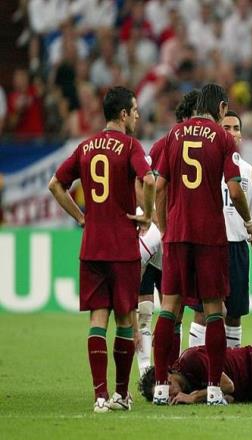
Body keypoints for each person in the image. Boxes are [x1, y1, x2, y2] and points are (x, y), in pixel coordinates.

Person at [47, 86, 156, 412]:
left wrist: (81, 217)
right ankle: (121, 395)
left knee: (98, 319)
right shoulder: (130, 146)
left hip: (92, 245)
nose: (137, 115)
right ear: (123, 114)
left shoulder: (86, 146)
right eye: (134, 110)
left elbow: (55, 184)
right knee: (124, 319)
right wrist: (148, 214)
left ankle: (99, 396)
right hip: (122, 247)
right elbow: (150, 180)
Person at [152, 83, 252, 406]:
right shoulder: (222, 138)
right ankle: (213, 388)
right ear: (222, 108)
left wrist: (165, 228)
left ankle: (160, 386)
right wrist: (248, 219)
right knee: (214, 310)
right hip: (210, 235)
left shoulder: (174, 135)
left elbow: (159, 187)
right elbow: (235, 190)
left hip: (178, 233)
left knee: (169, 307)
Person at [136, 89, 201, 377]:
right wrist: (153, 218)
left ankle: (170, 371)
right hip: (159, 233)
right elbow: (143, 183)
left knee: (174, 311)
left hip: (177, 236)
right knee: (145, 310)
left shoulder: (199, 145)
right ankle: (145, 371)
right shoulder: (165, 144)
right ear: (188, 116)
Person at [189, 110, 252, 349]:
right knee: (204, 312)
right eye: (226, 127)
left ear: (241, 135)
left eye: (236, 128)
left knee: (234, 314)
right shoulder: (204, 167)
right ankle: (193, 362)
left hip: (238, 249)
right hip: (210, 247)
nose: (232, 133)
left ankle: (232, 364)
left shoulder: (249, 173)